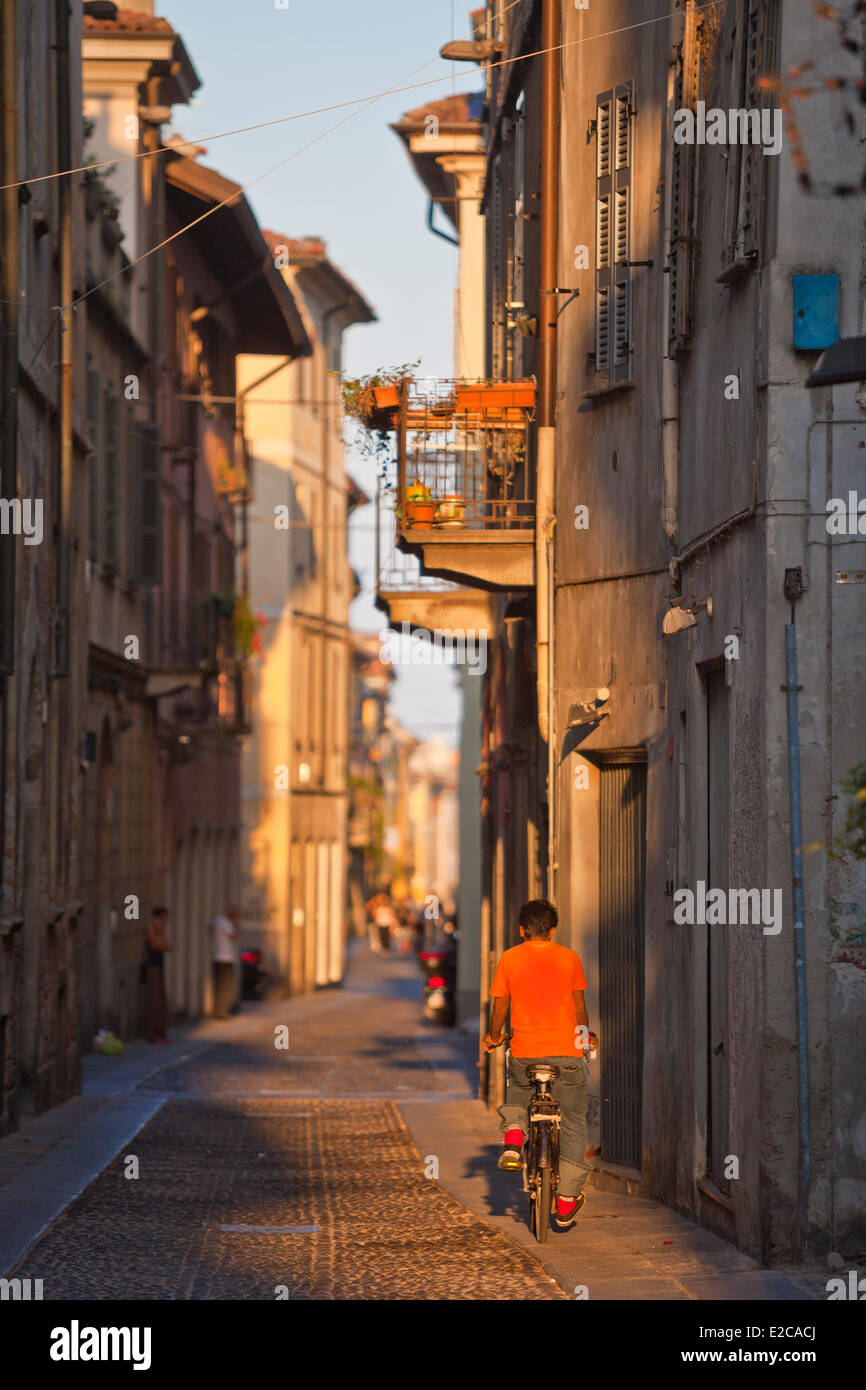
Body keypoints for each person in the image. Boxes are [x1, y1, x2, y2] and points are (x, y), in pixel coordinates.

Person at [482, 899, 593, 1230]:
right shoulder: (569, 958)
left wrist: (493, 1036)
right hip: (567, 1055)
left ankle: (514, 1140)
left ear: (521, 930)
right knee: (573, 1121)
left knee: (517, 1089)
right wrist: (585, 1036)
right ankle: (566, 1200)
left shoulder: (509, 958)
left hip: (526, 1052)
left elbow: (500, 1008)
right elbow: (580, 1009)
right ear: (553, 930)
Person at [144, 906, 171, 1044]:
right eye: (163, 917)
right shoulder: (150, 929)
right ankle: (152, 1033)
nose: (165, 920)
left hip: (160, 966)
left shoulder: (160, 931)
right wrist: (160, 939)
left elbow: (167, 946)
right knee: (153, 1001)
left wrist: (161, 938)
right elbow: (157, 944)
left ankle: (161, 1032)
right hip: (152, 967)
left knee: (161, 1000)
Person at [210, 905, 240, 1019]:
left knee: (219, 985)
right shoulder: (226, 923)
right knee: (227, 986)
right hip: (226, 958)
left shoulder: (216, 920)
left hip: (216, 957)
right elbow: (235, 936)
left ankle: (218, 1010)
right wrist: (236, 924)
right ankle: (222, 1011)